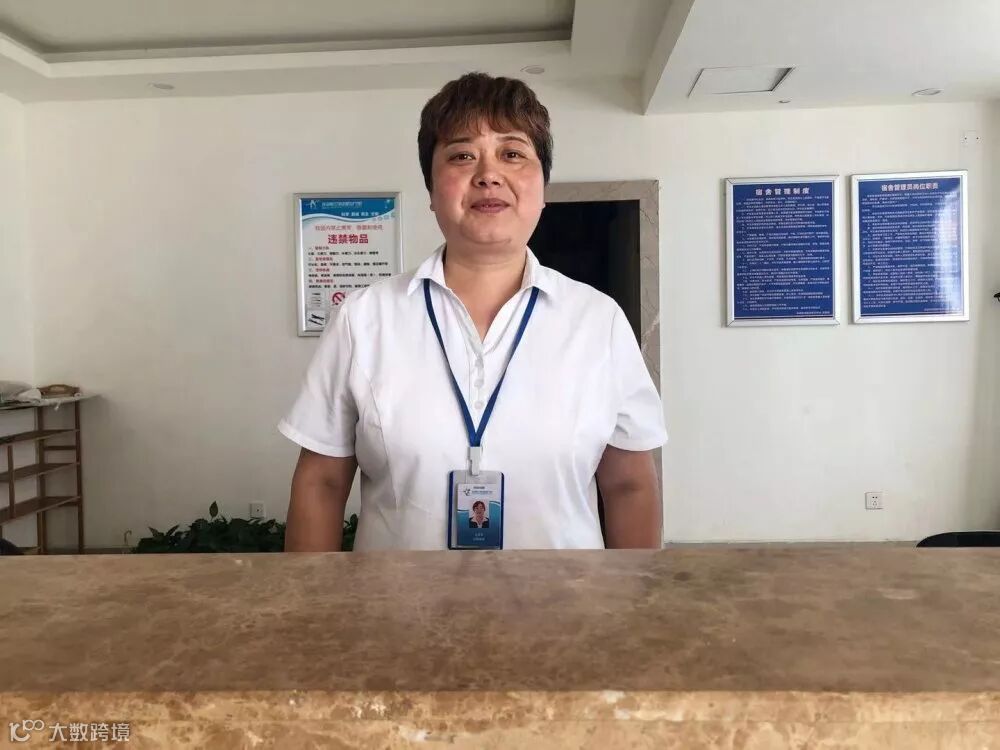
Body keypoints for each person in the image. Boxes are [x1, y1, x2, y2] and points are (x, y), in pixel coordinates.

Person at [280, 72, 667, 552]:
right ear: (431, 190)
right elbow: (321, 483)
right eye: (462, 155)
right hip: (397, 599)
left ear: (542, 186)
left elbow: (629, 485)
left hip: (566, 599)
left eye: (513, 153)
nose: (488, 174)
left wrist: (635, 596)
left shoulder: (598, 321)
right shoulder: (364, 319)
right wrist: (313, 598)